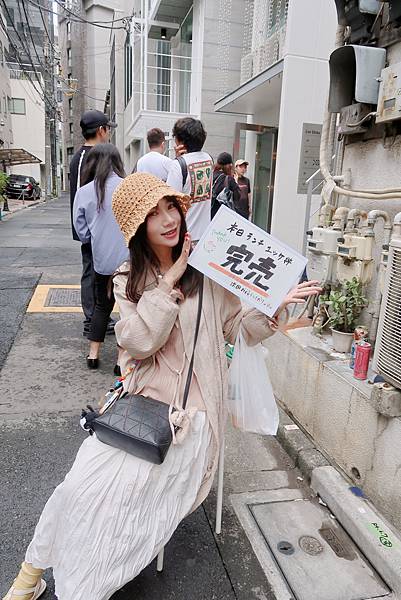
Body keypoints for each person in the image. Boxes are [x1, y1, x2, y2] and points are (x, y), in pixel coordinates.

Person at [3, 172, 321, 600]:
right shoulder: (128, 276)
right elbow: (138, 340)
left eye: (171, 207)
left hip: (194, 414)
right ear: (137, 229)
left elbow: (234, 328)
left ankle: (82, 590)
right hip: (139, 406)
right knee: (79, 485)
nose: (168, 219)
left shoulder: (210, 266)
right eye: (153, 215)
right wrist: (169, 282)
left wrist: (270, 307)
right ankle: (32, 571)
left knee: (126, 498)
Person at [73, 144, 128, 370]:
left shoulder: (85, 191)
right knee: (127, 310)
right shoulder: (128, 187)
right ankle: (121, 360)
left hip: (102, 261)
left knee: (101, 307)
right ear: (117, 162)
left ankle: (93, 355)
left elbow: (81, 231)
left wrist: (95, 237)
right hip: (129, 261)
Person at [69, 109, 117, 337]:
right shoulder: (86, 157)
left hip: (97, 228)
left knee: (100, 275)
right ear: (101, 130)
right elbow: (80, 197)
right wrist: (85, 234)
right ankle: (92, 319)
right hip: (92, 229)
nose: (108, 134)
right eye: (108, 129)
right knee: (91, 273)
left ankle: (99, 316)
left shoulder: (88, 155)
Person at [166, 117, 213, 242]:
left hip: (184, 237)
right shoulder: (208, 159)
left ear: (180, 141)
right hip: (204, 235)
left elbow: (170, 202)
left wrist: (177, 160)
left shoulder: (178, 165)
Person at [211, 152, 241, 219]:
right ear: (229, 165)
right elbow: (238, 196)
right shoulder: (229, 179)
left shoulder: (211, 176)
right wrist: (235, 181)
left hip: (210, 214)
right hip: (223, 215)